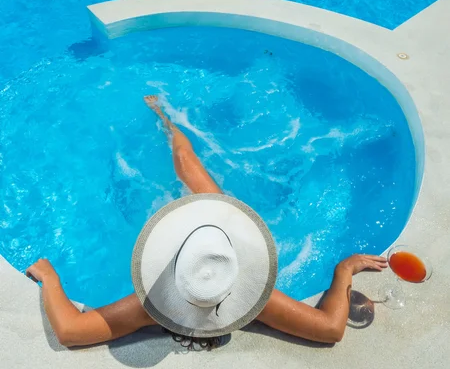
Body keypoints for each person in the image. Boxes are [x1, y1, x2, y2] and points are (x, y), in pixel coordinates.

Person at [26, 96, 387, 349]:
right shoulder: (258, 301)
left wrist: (50, 279)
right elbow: (329, 330)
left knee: (184, 162)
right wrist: (343, 271)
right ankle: (166, 120)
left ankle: (165, 120)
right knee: (190, 167)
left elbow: (71, 331)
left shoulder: (147, 308)